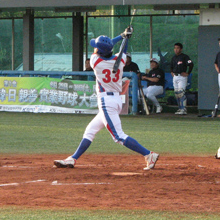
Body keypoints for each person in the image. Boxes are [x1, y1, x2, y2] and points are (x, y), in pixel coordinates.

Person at [54, 29, 159, 170]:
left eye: (97, 47)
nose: (95, 48)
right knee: (90, 130)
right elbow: (121, 50)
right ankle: (72, 159)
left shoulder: (95, 61)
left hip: (106, 102)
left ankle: (148, 154)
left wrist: (121, 36)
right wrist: (125, 38)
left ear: (100, 51)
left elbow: (108, 46)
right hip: (115, 99)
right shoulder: (120, 60)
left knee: (118, 136)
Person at [170, 42, 194, 115]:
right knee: (177, 93)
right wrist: (172, 72)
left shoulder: (184, 57)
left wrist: (188, 73)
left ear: (181, 49)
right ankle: (180, 108)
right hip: (175, 76)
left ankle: (184, 109)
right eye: (175, 48)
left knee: (181, 92)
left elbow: (191, 64)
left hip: (182, 76)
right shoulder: (173, 58)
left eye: (177, 48)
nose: (176, 50)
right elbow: (171, 66)